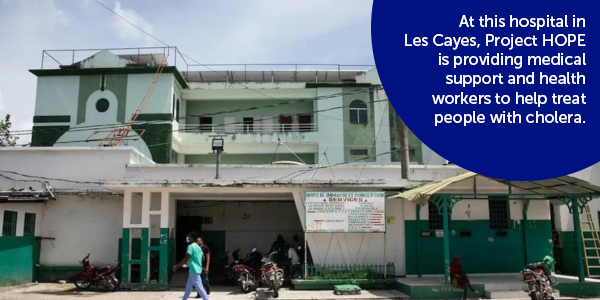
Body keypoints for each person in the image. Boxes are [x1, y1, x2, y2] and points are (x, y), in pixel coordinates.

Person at [173, 232, 209, 300]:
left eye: (189, 238)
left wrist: (177, 266)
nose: (188, 239)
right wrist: (195, 261)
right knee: (188, 287)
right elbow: (203, 258)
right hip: (197, 268)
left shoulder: (191, 246)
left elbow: (186, 258)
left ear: (191, 238)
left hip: (194, 269)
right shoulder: (198, 247)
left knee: (199, 287)